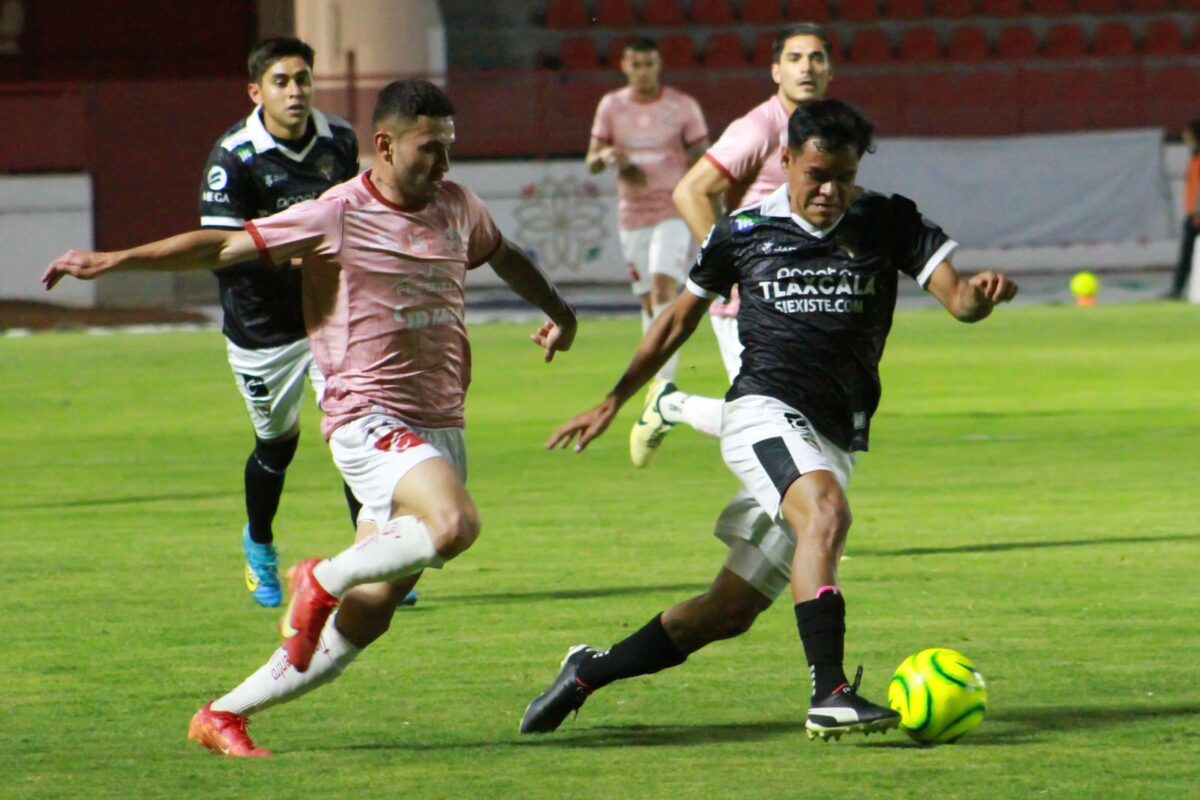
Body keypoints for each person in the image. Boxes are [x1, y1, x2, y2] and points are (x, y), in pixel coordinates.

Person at [43, 79, 578, 758]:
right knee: (455, 526)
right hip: (368, 416)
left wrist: (562, 314)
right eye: (429, 149)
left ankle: (222, 713)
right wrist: (115, 261)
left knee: (365, 621)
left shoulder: (456, 206)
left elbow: (505, 256)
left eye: (449, 149)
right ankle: (319, 576)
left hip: (440, 424)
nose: (443, 164)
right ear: (383, 145)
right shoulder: (337, 213)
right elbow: (223, 247)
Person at [521, 99, 1018, 741]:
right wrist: (614, 399)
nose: (830, 189)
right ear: (785, 160)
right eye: (817, 174)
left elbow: (957, 300)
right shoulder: (743, 231)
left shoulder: (889, 220)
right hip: (762, 410)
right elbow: (677, 317)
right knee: (827, 513)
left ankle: (589, 671)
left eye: (843, 174)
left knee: (727, 612)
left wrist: (978, 298)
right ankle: (831, 692)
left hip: (833, 435)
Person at [200, 37, 408, 609]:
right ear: (256, 91)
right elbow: (222, 247)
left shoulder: (338, 138)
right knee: (277, 446)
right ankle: (260, 547)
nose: (296, 91)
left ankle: (375, 561)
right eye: (281, 81)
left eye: (303, 79)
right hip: (262, 329)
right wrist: (298, 254)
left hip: (332, 316)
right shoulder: (233, 158)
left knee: (356, 432)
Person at [630, 23, 833, 468]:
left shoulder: (827, 127)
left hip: (798, 292)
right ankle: (672, 407)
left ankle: (671, 405)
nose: (807, 67)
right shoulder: (760, 127)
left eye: (816, 58)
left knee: (806, 418)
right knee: (777, 419)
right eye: (795, 58)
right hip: (750, 299)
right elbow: (691, 191)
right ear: (775, 70)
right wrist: (735, 271)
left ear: (830, 70)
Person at [586, 36, 709, 425]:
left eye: (649, 64)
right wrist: (608, 157)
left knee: (662, 288)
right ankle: (658, 378)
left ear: (659, 65)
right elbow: (592, 161)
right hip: (632, 214)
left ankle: (663, 388)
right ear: (625, 66)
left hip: (673, 209)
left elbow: (705, 158)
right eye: (636, 65)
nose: (643, 72)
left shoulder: (681, 106)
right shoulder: (611, 106)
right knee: (647, 301)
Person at [1165, 120, 1200, 301]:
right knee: (1186, 255)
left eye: (1187, 135)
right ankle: (1177, 289)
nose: (1184, 138)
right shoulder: (1194, 158)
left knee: (1187, 255)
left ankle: (1177, 289)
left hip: (1196, 216)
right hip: (1192, 214)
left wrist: (1197, 213)